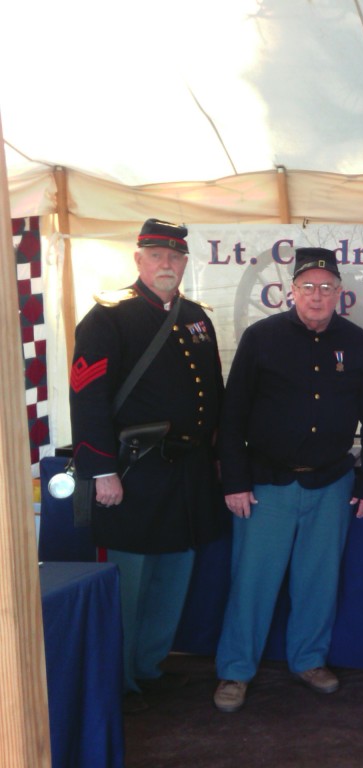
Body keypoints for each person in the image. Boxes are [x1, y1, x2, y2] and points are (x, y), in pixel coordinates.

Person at [213, 246, 363, 713]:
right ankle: (235, 671)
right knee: (252, 582)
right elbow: (232, 416)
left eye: (327, 287)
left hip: (331, 484)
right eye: (308, 286)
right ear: (290, 291)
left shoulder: (355, 342)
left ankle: (309, 660)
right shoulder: (261, 337)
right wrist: (234, 480)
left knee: (318, 581)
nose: (317, 295)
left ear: (339, 294)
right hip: (267, 485)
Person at [69, 218, 227, 713]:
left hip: (186, 473)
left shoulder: (197, 317)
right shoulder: (108, 318)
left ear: (184, 263)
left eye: (175, 257)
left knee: (172, 577)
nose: (166, 265)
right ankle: (116, 682)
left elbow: (215, 399)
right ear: (138, 260)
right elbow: (86, 398)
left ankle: (149, 668)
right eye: (156, 256)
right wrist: (100, 471)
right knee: (130, 583)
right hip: (132, 473)